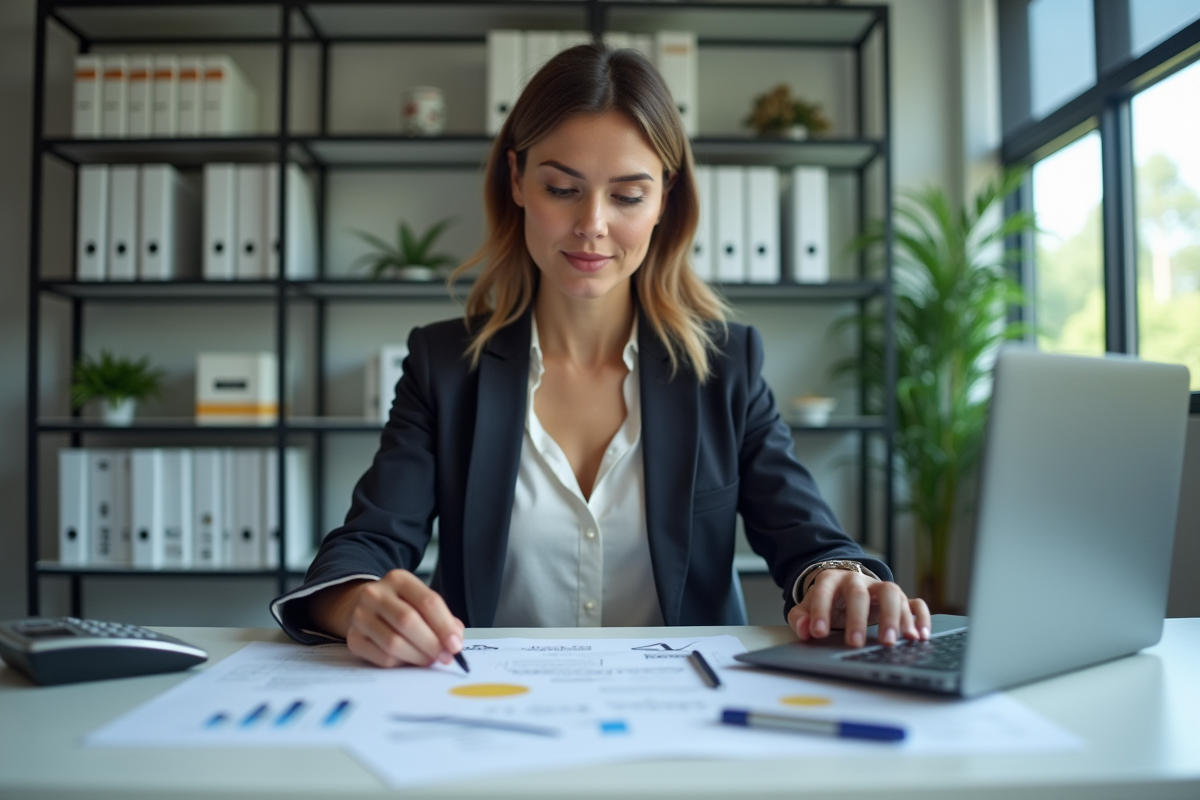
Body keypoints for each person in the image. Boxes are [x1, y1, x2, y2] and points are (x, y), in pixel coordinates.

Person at [271, 43, 930, 668]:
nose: (592, 224)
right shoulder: (445, 365)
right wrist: (357, 605)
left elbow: (810, 540)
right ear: (518, 180)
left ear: (664, 202)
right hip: (487, 708)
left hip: (682, 713)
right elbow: (366, 543)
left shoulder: (725, 364)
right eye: (563, 189)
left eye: (627, 194)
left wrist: (842, 581)